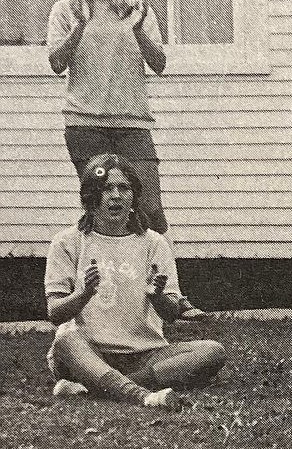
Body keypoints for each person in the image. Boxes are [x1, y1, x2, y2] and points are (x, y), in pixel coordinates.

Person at [46, 0, 206, 321]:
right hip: (84, 124)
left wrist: (136, 28)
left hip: (132, 122)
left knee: (150, 207)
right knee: (97, 207)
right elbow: (56, 62)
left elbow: (159, 63)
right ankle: (91, 297)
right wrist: (80, 27)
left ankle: (172, 297)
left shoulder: (137, 8)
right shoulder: (65, 10)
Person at [44, 154, 227, 410]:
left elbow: (172, 312)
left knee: (212, 351)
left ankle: (99, 388)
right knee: (65, 339)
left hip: (144, 354)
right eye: (107, 188)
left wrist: (157, 296)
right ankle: (141, 395)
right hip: (87, 352)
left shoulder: (154, 243)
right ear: (90, 197)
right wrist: (83, 295)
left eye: (124, 188)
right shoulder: (67, 242)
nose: (116, 196)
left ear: (134, 196)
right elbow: (55, 313)